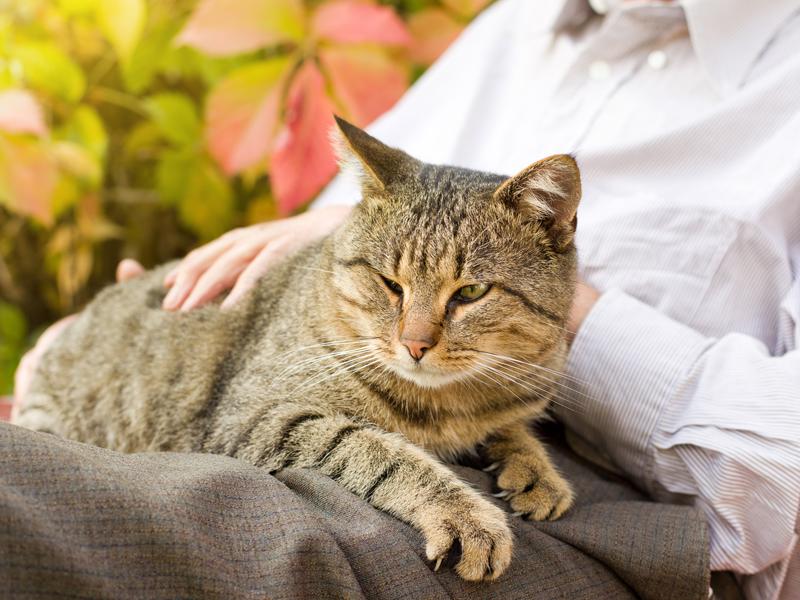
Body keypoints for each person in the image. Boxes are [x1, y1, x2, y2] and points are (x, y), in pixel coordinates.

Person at [14, 0, 800, 598]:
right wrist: (107, 339)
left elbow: (779, 478)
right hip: (247, 423)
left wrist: (564, 320)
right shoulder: (513, 24)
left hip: (588, 519)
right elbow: (334, 261)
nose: (417, 336)